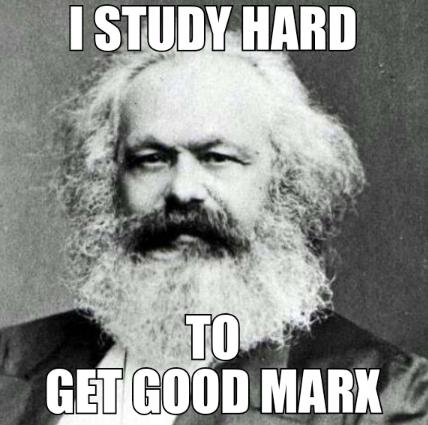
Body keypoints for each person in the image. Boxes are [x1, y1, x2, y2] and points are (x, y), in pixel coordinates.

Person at [0, 30, 427, 424]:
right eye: (151, 159)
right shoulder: (7, 363)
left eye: (217, 157)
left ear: (284, 180)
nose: (183, 190)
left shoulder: (388, 396)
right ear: (109, 181)